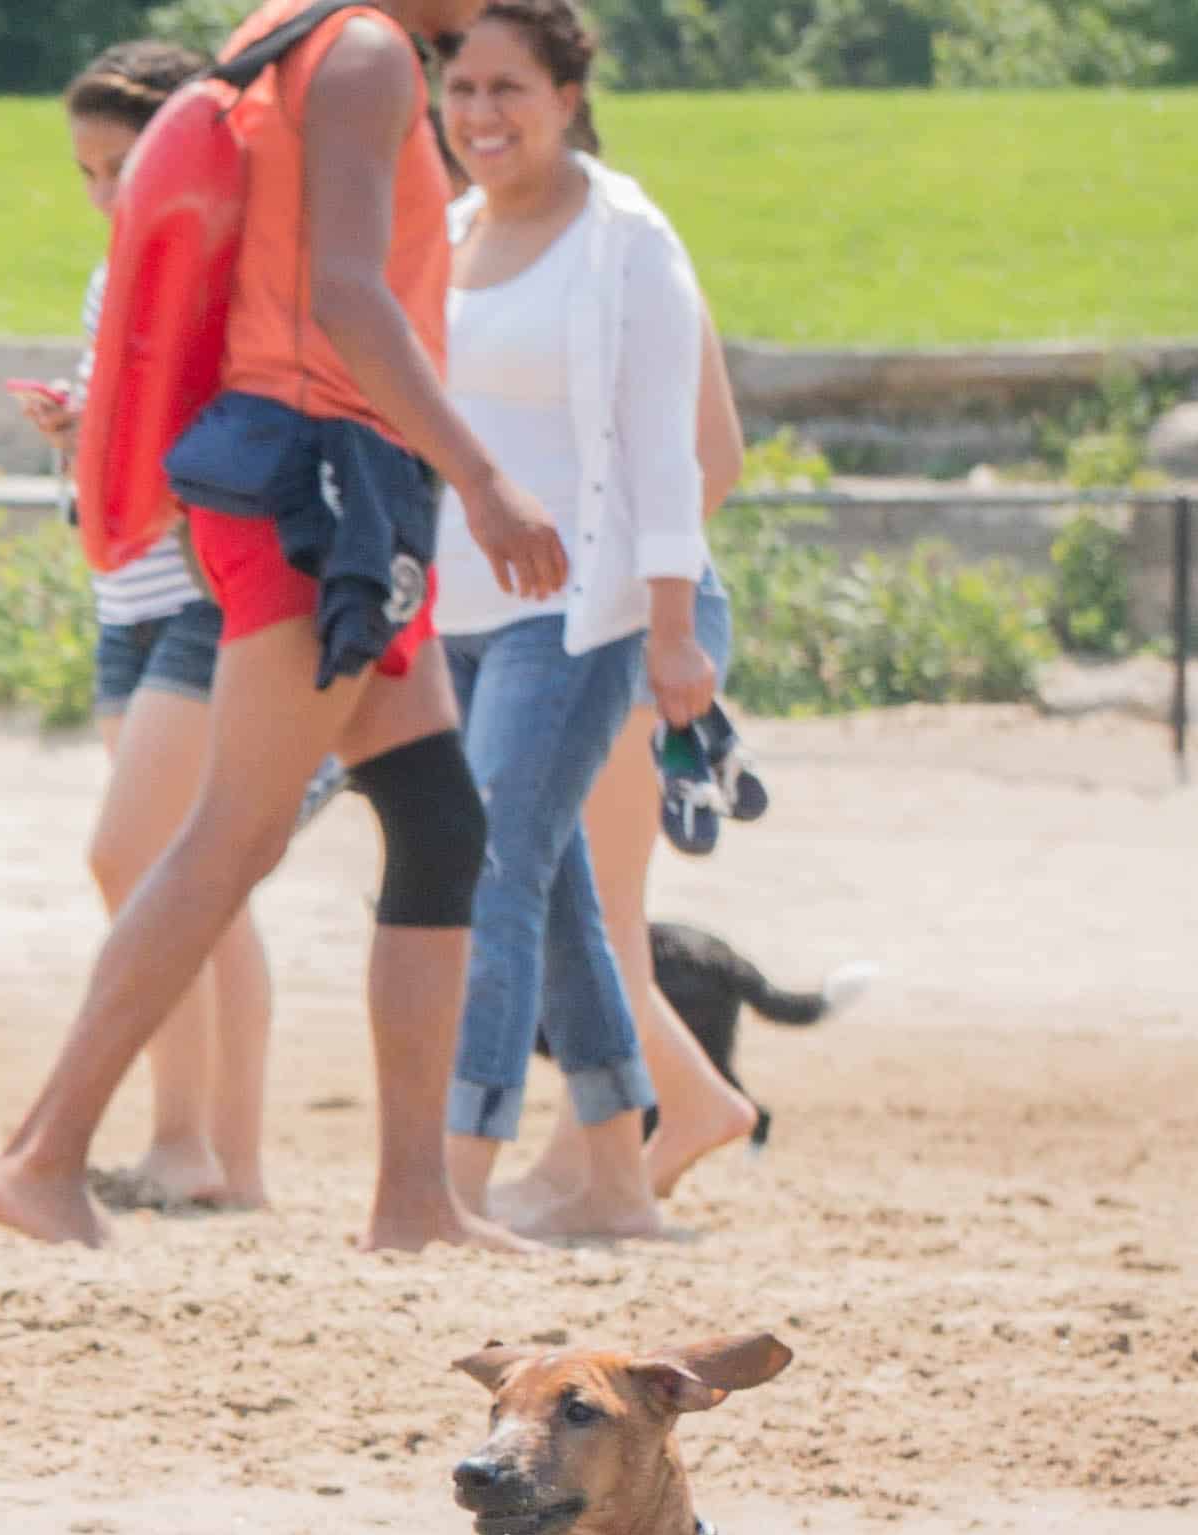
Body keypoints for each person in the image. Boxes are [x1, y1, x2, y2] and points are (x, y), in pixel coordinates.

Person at [0, 0, 569, 1255]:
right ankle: (41, 1153)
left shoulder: (285, 34)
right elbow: (346, 294)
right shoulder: (356, 52)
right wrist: (481, 476)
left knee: (434, 818)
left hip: (328, 471)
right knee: (229, 833)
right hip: (325, 480)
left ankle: (415, 1202)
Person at [413, 0, 719, 1242]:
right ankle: (612, 1179)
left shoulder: (625, 242)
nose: (480, 114)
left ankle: (451, 1175)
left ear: (567, 95)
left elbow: (668, 447)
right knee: (551, 895)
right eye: (461, 88)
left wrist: (671, 626)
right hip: (453, 611)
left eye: (507, 89)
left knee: (485, 868)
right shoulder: (443, 233)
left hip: (576, 616)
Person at [16, 36, 269, 1216]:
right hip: (128, 596)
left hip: (198, 594)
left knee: (146, 861)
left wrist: (108, 432)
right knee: (203, 879)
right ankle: (226, 1159)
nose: (105, 194)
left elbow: (210, 433)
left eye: (121, 165)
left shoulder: (207, 267)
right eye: (88, 173)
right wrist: (84, 427)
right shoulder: (113, 272)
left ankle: (186, 1144)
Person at [498, 317, 755, 1236]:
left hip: (625, 617)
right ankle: (688, 1104)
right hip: (557, 618)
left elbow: (714, 458)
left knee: (597, 907)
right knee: (582, 902)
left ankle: (586, 1159)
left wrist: (632, 581)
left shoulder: (628, 261)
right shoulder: (490, 261)